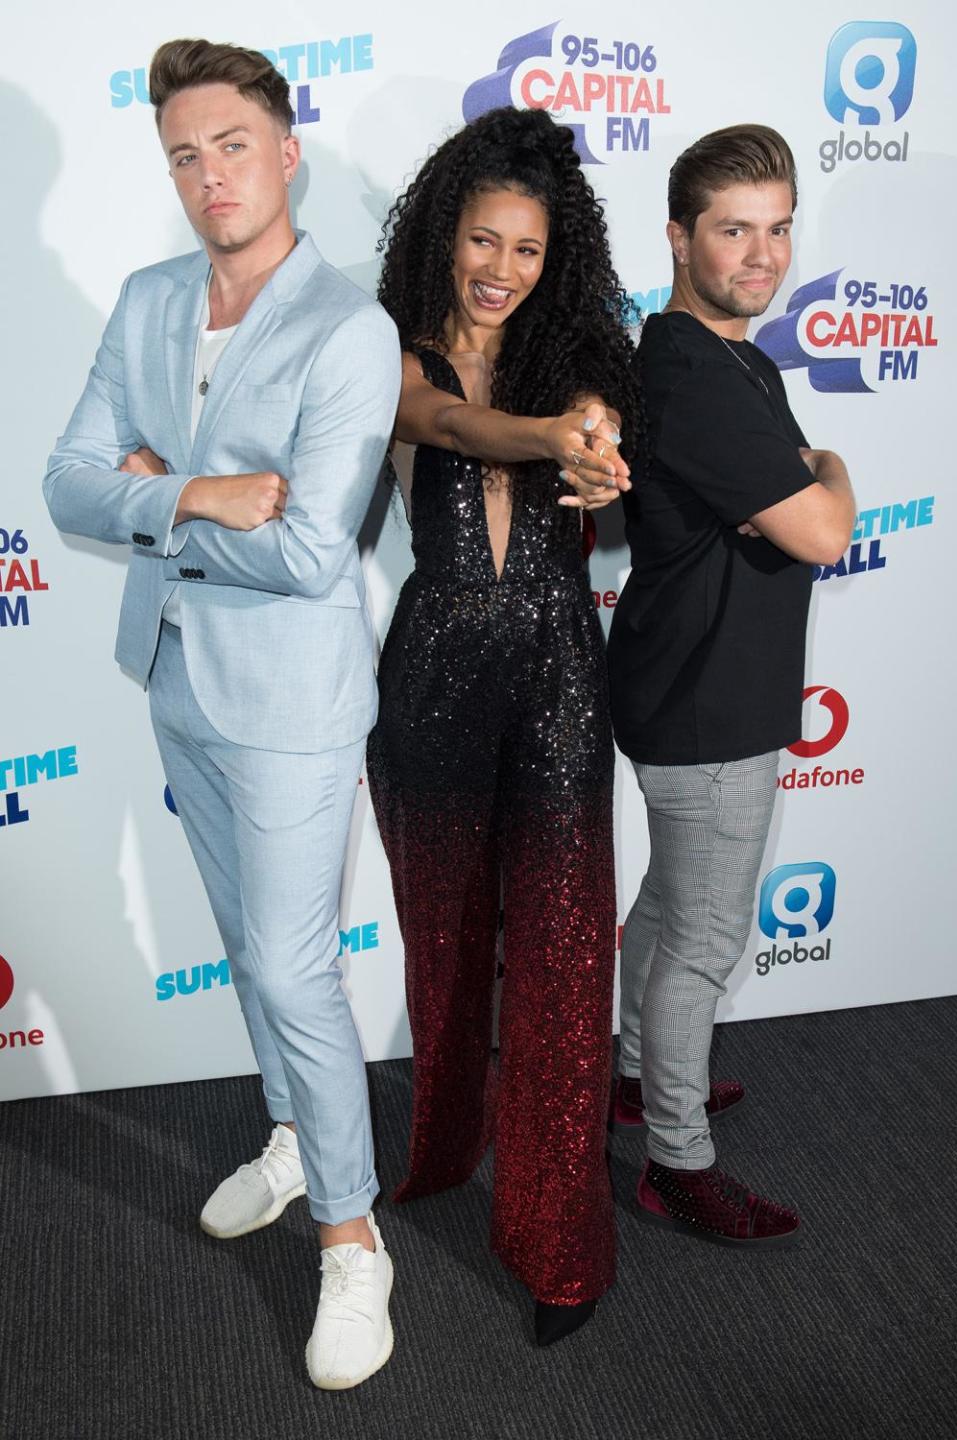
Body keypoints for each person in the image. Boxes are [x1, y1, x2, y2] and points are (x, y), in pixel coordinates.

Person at [42, 39, 401, 1389]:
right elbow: (72, 488)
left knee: (297, 969)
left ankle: (353, 1237)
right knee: (247, 946)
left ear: (286, 147)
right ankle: (296, 1135)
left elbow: (313, 555)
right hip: (178, 679)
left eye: (231, 144)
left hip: (295, 705)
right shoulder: (142, 302)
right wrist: (191, 495)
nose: (209, 175)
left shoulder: (348, 330)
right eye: (184, 154)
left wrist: (152, 500)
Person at [365, 105, 636, 1345]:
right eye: (485, 241)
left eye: (527, 250)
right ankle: (443, 1147)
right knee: (445, 947)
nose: (502, 271)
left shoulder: (577, 353)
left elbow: (595, 421)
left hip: (557, 678)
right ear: (444, 235)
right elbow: (443, 426)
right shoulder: (387, 353)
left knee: (569, 964)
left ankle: (558, 1242)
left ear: (554, 257)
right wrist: (545, 443)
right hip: (428, 676)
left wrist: (594, 444)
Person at [607, 124, 855, 1246]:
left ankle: (631, 1076)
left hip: (704, 686)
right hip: (706, 700)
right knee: (705, 939)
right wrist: (838, 474)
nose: (762, 255)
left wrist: (811, 484)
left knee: (669, 908)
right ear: (677, 236)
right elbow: (820, 525)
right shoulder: (693, 372)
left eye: (779, 227)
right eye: (734, 230)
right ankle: (677, 1158)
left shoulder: (729, 355)